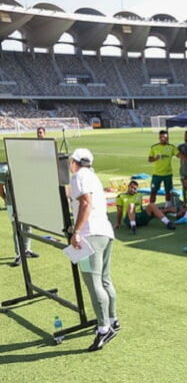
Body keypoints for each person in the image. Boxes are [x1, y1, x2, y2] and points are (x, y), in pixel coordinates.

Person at [67, 148, 119, 351]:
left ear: (74, 161)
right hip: (104, 232)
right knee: (105, 280)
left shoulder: (78, 176)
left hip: (90, 236)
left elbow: (85, 203)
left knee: (93, 282)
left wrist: (77, 231)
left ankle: (104, 329)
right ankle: (112, 319)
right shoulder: (92, 176)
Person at [0, 162, 39, 267]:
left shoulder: (26, 166)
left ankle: (26, 250)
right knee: (16, 228)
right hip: (12, 204)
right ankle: (18, 254)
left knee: (27, 226)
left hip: (26, 203)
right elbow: (0, 186)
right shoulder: (5, 169)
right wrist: (6, 198)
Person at [148, 130, 178, 205]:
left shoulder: (171, 147)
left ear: (167, 137)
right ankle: (152, 206)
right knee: (153, 191)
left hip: (168, 174)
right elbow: (149, 159)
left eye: (165, 137)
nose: (163, 139)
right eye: (162, 137)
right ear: (159, 137)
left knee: (168, 191)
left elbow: (179, 155)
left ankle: (167, 206)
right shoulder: (154, 147)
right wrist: (156, 158)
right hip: (157, 174)